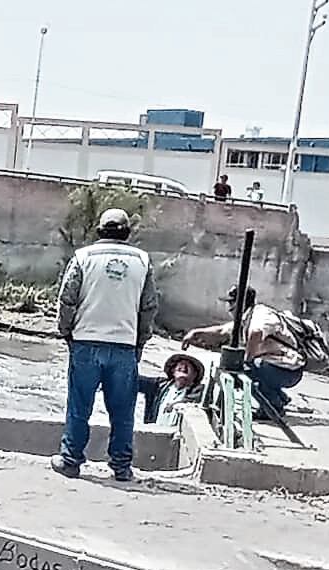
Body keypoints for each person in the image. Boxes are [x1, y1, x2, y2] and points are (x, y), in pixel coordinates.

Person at [54, 206, 158, 481]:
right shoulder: (143, 261)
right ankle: (121, 468)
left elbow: (67, 299)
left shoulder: (83, 257)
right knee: (123, 411)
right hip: (124, 345)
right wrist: (140, 343)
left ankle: (71, 460)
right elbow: (149, 307)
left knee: (79, 406)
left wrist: (66, 332)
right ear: (127, 232)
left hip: (86, 341)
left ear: (99, 230)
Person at [182, 286, 305, 421]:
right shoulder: (246, 318)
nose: (229, 308)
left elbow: (257, 332)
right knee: (245, 367)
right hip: (277, 368)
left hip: (289, 370)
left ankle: (273, 406)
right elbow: (222, 331)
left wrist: (247, 360)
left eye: (231, 302)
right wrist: (196, 333)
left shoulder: (261, 314)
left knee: (245, 370)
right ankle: (278, 397)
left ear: (240, 302)